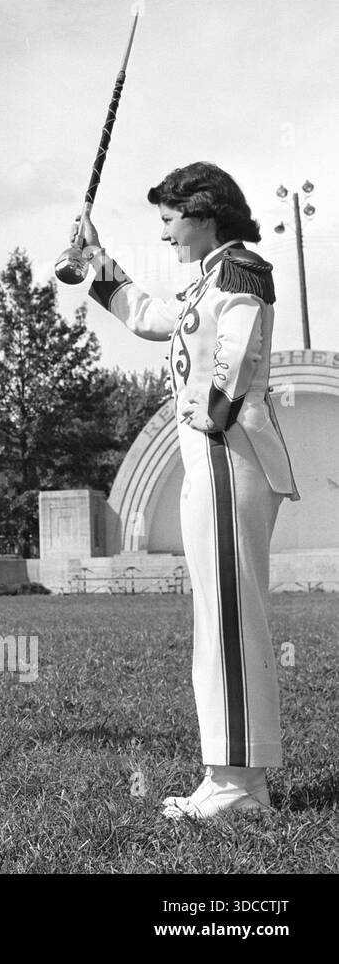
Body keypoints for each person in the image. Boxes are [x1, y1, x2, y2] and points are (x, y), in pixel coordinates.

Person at [76, 162, 299, 819]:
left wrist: (219, 403)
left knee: (230, 619)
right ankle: (224, 774)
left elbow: (242, 344)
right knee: (217, 619)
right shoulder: (206, 282)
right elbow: (147, 316)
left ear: (206, 213)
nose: (167, 230)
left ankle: (242, 786)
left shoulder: (240, 271)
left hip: (230, 452)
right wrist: (97, 261)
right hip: (210, 458)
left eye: (172, 216)